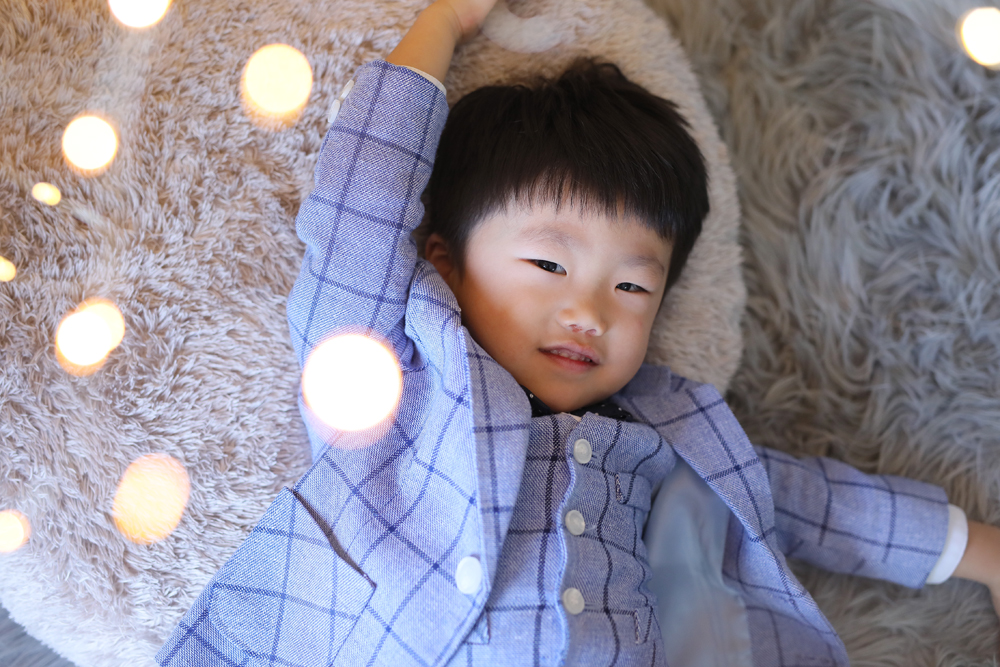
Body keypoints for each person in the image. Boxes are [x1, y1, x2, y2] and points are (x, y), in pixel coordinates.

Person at [155, 1, 1000, 665]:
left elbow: (810, 502)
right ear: (444, 260)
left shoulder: (669, 434)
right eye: (548, 265)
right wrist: (445, 21)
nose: (590, 312)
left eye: (632, 285)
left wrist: (980, 550)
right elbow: (360, 208)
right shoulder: (395, 379)